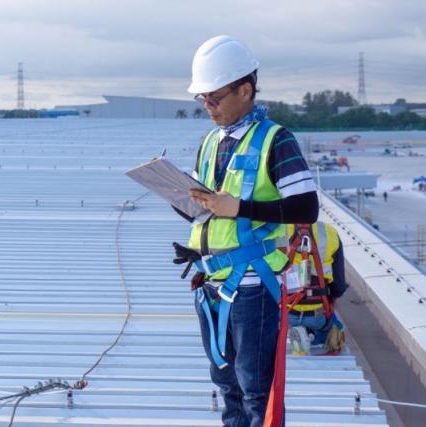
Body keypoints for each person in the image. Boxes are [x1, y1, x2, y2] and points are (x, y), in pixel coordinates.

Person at [171, 35, 319, 427]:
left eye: (214, 98)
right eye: (201, 99)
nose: (207, 107)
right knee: (226, 386)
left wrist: (240, 208)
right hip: (212, 282)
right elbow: (212, 211)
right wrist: (183, 203)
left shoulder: (277, 140)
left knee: (256, 391)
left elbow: (307, 207)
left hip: (254, 284)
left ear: (246, 90)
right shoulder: (211, 142)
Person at [285, 222, 349, 355]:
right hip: (317, 314)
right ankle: (312, 337)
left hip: (286, 312)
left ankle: (297, 334)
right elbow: (339, 287)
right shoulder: (329, 232)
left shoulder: (279, 229)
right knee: (329, 327)